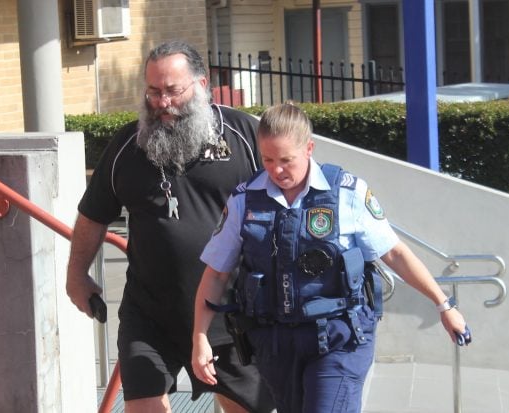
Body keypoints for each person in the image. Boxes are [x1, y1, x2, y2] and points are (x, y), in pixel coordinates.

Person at [191, 102, 472, 413]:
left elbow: (393, 252)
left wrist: (443, 304)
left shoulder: (346, 193)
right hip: (275, 344)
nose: (276, 170)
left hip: (340, 337)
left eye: (286, 160)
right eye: (267, 159)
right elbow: (216, 273)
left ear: (309, 148)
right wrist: (199, 336)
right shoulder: (246, 199)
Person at [66, 40, 275, 413]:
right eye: (153, 91)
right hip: (151, 314)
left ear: (201, 84)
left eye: (172, 91)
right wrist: (76, 274)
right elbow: (93, 215)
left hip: (230, 316)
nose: (162, 102)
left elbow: (286, 206)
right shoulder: (128, 146)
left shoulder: (244, 135)